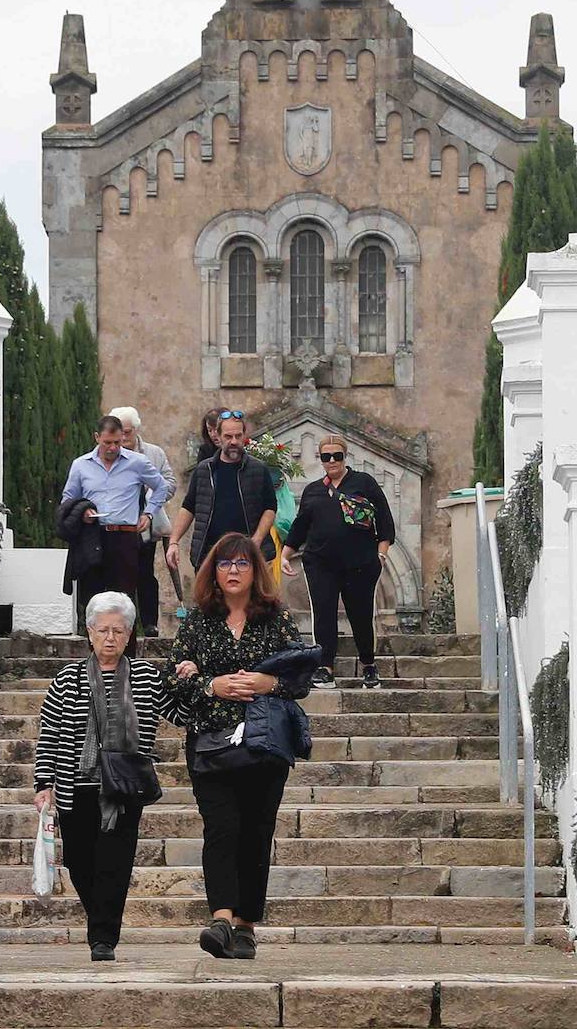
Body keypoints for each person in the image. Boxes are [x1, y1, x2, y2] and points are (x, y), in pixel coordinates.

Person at [165, 533, 306, 960]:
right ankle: (222, 919)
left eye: (241, 564)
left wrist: (270, 682)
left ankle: (246, 925)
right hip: (211, 745)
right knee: (221, 829)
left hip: (265, 745)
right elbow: (173, 682)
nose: (232, 571)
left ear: (254, 570)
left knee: (256, 832)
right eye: (224, 564)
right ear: (213, 570)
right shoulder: (198, 622)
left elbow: (302, 676)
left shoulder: (276, 619)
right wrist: (211, 684)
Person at [33, 591, 187, 961]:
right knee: (81, 863)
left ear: (129, 633)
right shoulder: (67, 679)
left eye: (118, 631)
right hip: (75, 786)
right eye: (102, 630)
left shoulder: (147, 677)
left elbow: (180, 714)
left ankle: (102, 939)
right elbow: (49, 732)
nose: (110, 638)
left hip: (123, 786)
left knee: (115, 864)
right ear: (89, 633)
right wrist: (44, 783)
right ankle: (100, 920)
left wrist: (187, 677)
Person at [281, 434, 395, 690]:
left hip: (361, 562)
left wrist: (381, 554)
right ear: (321, 459)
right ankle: (325, 667)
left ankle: (368, 665)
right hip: (320, 562)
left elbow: (385, 522)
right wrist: (285, 554)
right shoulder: (313, 490)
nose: (332, 461)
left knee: (362, 613)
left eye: (337, 456)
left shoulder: (364, 483)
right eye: (326, 456)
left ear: (345, 456)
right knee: (323, 613)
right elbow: (300, 527)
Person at [60, 414, 169, 651]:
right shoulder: (81, 465)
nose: (112, 448)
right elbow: (68, 498)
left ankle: (127, 660)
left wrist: (149, 513)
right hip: (92, 536)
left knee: (124, 600)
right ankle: (95, 658)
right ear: (97, 437)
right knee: (93, 600)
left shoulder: (137, 462)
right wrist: (82, 512)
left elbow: (162, 485)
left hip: (124, 536)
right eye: (107, 442)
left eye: (117, 443)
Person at [167, 410, 276, 578]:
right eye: (228, 436)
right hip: (209, 554)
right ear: (218, 437)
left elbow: (270, 508)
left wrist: (257, 540)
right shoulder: (204, 470)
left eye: (238, 436)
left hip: (248, 555)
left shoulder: (258, 469)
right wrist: (174, 542)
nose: (234, 441)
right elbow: (188, 507)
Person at [109, 405, 181, 636]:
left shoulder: (154, 453)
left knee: (145, 573)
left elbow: (170, 483)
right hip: (117, 524)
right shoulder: (107, 452)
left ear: (136, 430)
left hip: (146, 523)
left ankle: (149, 623)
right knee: (118, 575)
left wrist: (153, 493)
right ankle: (120, 623)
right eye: (120, 431)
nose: (123, 436)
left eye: (128, 431)